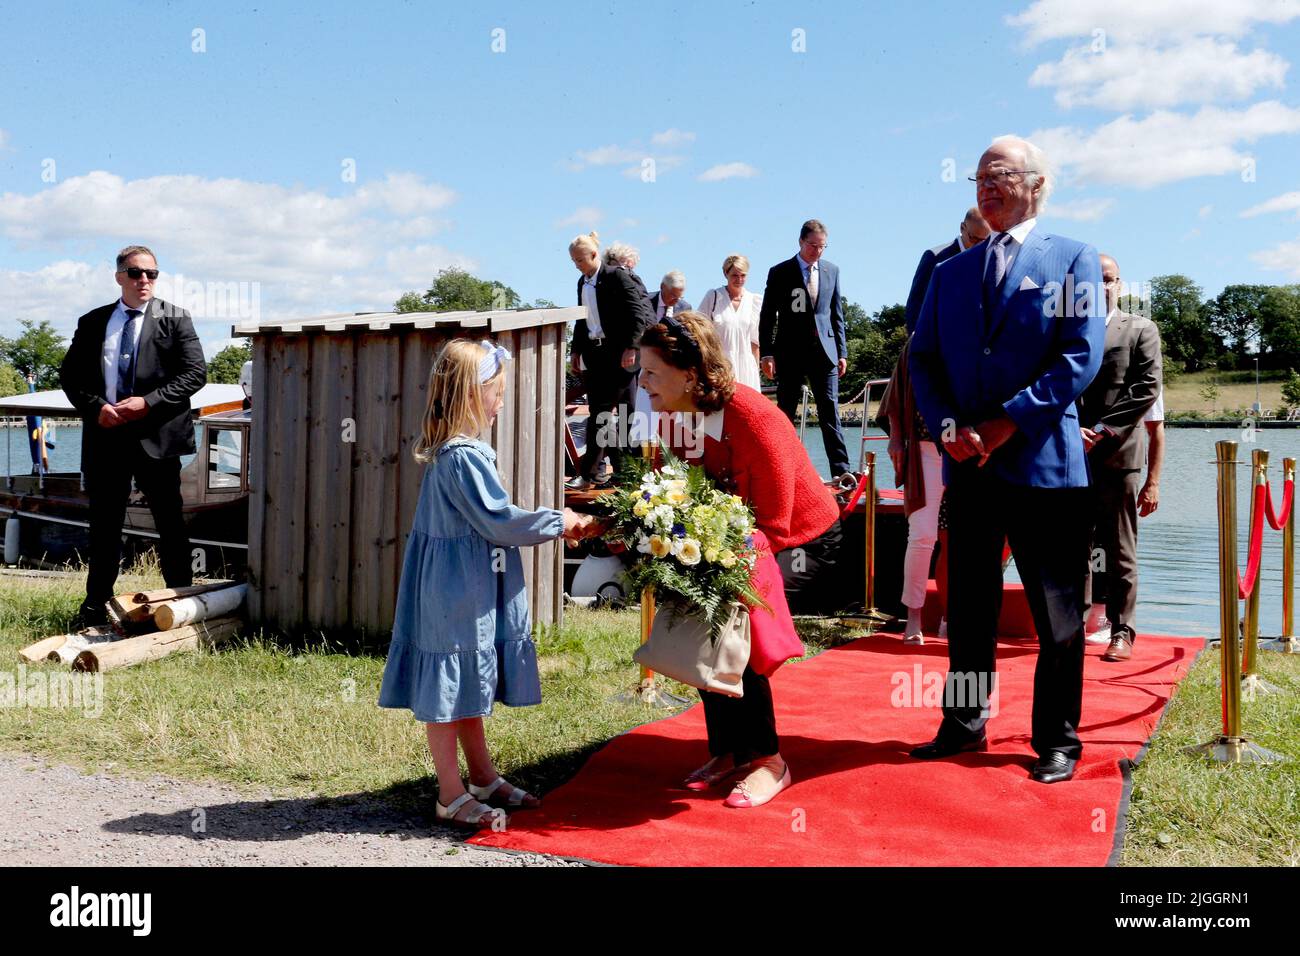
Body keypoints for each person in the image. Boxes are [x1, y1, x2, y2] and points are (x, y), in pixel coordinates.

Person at [908, 135, 1105, 785]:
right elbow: (923, 360)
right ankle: (963, 725)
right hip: (969, 470)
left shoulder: (1073, 258)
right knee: (967, 610)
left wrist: (1003, 423)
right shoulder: (949, 273)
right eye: (978, 177)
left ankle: (1057, 741)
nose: (986, 186)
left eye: (1000, 174)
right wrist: (946, 428)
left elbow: (1079, 358)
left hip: (1045, 468)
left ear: (1038, 183)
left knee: (1057, 614)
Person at [378, 339, 591, 828]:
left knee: (465, 681)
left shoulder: (459, 452)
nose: (500, 403)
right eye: (495, 393)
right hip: (455, 590)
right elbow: (498, 522)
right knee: (448, 683)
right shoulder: (462, 456)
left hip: (464, 582)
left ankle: (482, 777)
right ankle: (450, 795)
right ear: (471, 396)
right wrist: (563, 521)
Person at [638, 311, 841, 808]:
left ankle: (770, 762)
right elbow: (682, 495)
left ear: (689, 374)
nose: (641, 383)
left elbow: (773, 521)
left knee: (735, 617)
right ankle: (729, 752)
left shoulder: (753, 417)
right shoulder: (669, 415)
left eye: (650, 372)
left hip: (802, 539)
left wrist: (722, 568)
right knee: (699, 609)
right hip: (737, 538)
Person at [59, 245, 206, 626]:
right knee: (103, 527)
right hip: (106, 439)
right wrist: (96, 408)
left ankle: (181, 603)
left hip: (157, 438)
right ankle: (95, 607)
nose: (145, 280)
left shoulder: (176, 319)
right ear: (119, 275)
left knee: (170, 526)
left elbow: (195, 374)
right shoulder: (92, 321)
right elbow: (70, 378)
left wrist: (149, 402)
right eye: (137, 273)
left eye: (152, 274)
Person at [1078, 254, 1162, 663]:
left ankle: (1122, 629)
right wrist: (1069, 428)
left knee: (1119, 547)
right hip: (1070, 453)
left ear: (1120, 284)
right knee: (1072, 545)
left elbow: (1146, 388)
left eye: (1107, 279)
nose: (1100, 286)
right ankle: (1073, 625)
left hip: (1119, 455)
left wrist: (1104, 430)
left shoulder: (1140, 329)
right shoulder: (1064, 330)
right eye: (1092, 280)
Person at [759, 220, 851, 479]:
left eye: (822, 247)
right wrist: (767, 353)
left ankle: (842, 472)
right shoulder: (780, 272)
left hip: (825, 352)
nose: (817, 251)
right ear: (800, 241)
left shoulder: (832, 270)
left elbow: (837, 314)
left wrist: (841, 352)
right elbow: (767, 316)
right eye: (813, 245)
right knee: (786, 411)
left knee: (830, 411)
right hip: (790, 352)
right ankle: (780, 468)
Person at [567, 232, 656, 489]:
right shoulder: (582, 283)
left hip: (621, 355)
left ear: (594, 255)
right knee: (602, 413)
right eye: (574, 261)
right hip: (596, 354)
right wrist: (576, 351)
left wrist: (632, 347)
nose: (577, 265)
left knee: (615, 413)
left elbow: (637, 313)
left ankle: (598, 472)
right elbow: (582, 320)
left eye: (580, 260)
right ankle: (608, 472)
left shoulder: (617, 276)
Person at [904, 208, 991, 334]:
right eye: (973, 239)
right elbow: (916, 304)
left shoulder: (991, 257)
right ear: (962, 228)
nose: (978, 246)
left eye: (984, 241)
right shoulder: (935, 257)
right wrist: (919, 344)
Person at [697, 254, 763, 390]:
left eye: (743, 275)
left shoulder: (754, 301)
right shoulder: (713, 297)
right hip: (720, 366)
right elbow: (699, 333)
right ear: (725, 273)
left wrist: (756, 370)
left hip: (746, 368)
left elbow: (755, 342)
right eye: (734, 275)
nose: (739, 279)